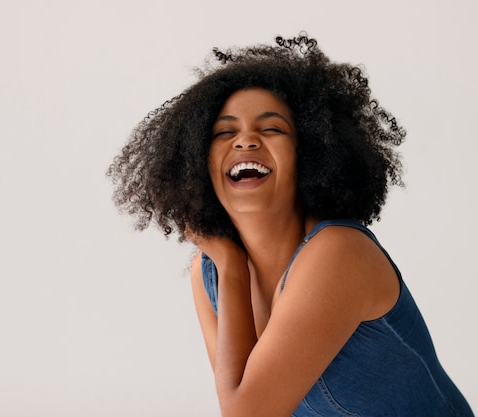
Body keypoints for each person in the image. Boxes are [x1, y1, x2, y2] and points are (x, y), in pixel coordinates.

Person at [107, 34, 474, 417]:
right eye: (224, 132)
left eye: (272, 129)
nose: (246, 140)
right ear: (198, 160)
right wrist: (226, 267)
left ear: (310, 154)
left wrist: (234, 268)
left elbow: (246, 412)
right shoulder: (208, 271)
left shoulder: (338, 253)